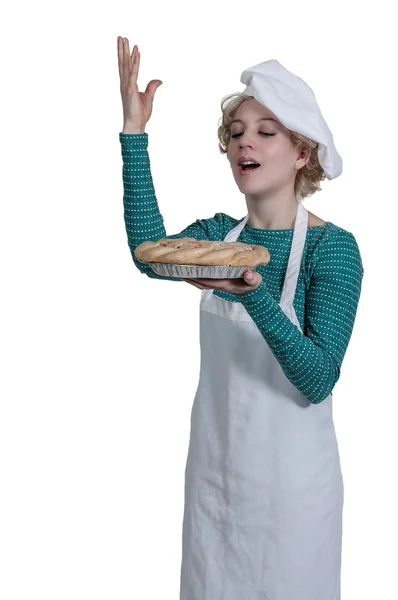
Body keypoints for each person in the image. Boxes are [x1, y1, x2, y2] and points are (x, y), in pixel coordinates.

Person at [117, 36, 364, 600]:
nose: (243, 144)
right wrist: (135, 135)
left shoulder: (332, 251)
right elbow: (150, 255)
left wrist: (251, 293)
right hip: (215, 486)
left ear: (303, 153)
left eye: (265, 132)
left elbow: (317, 378)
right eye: (235, 133)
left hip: (292, 501)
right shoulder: (217, 236)